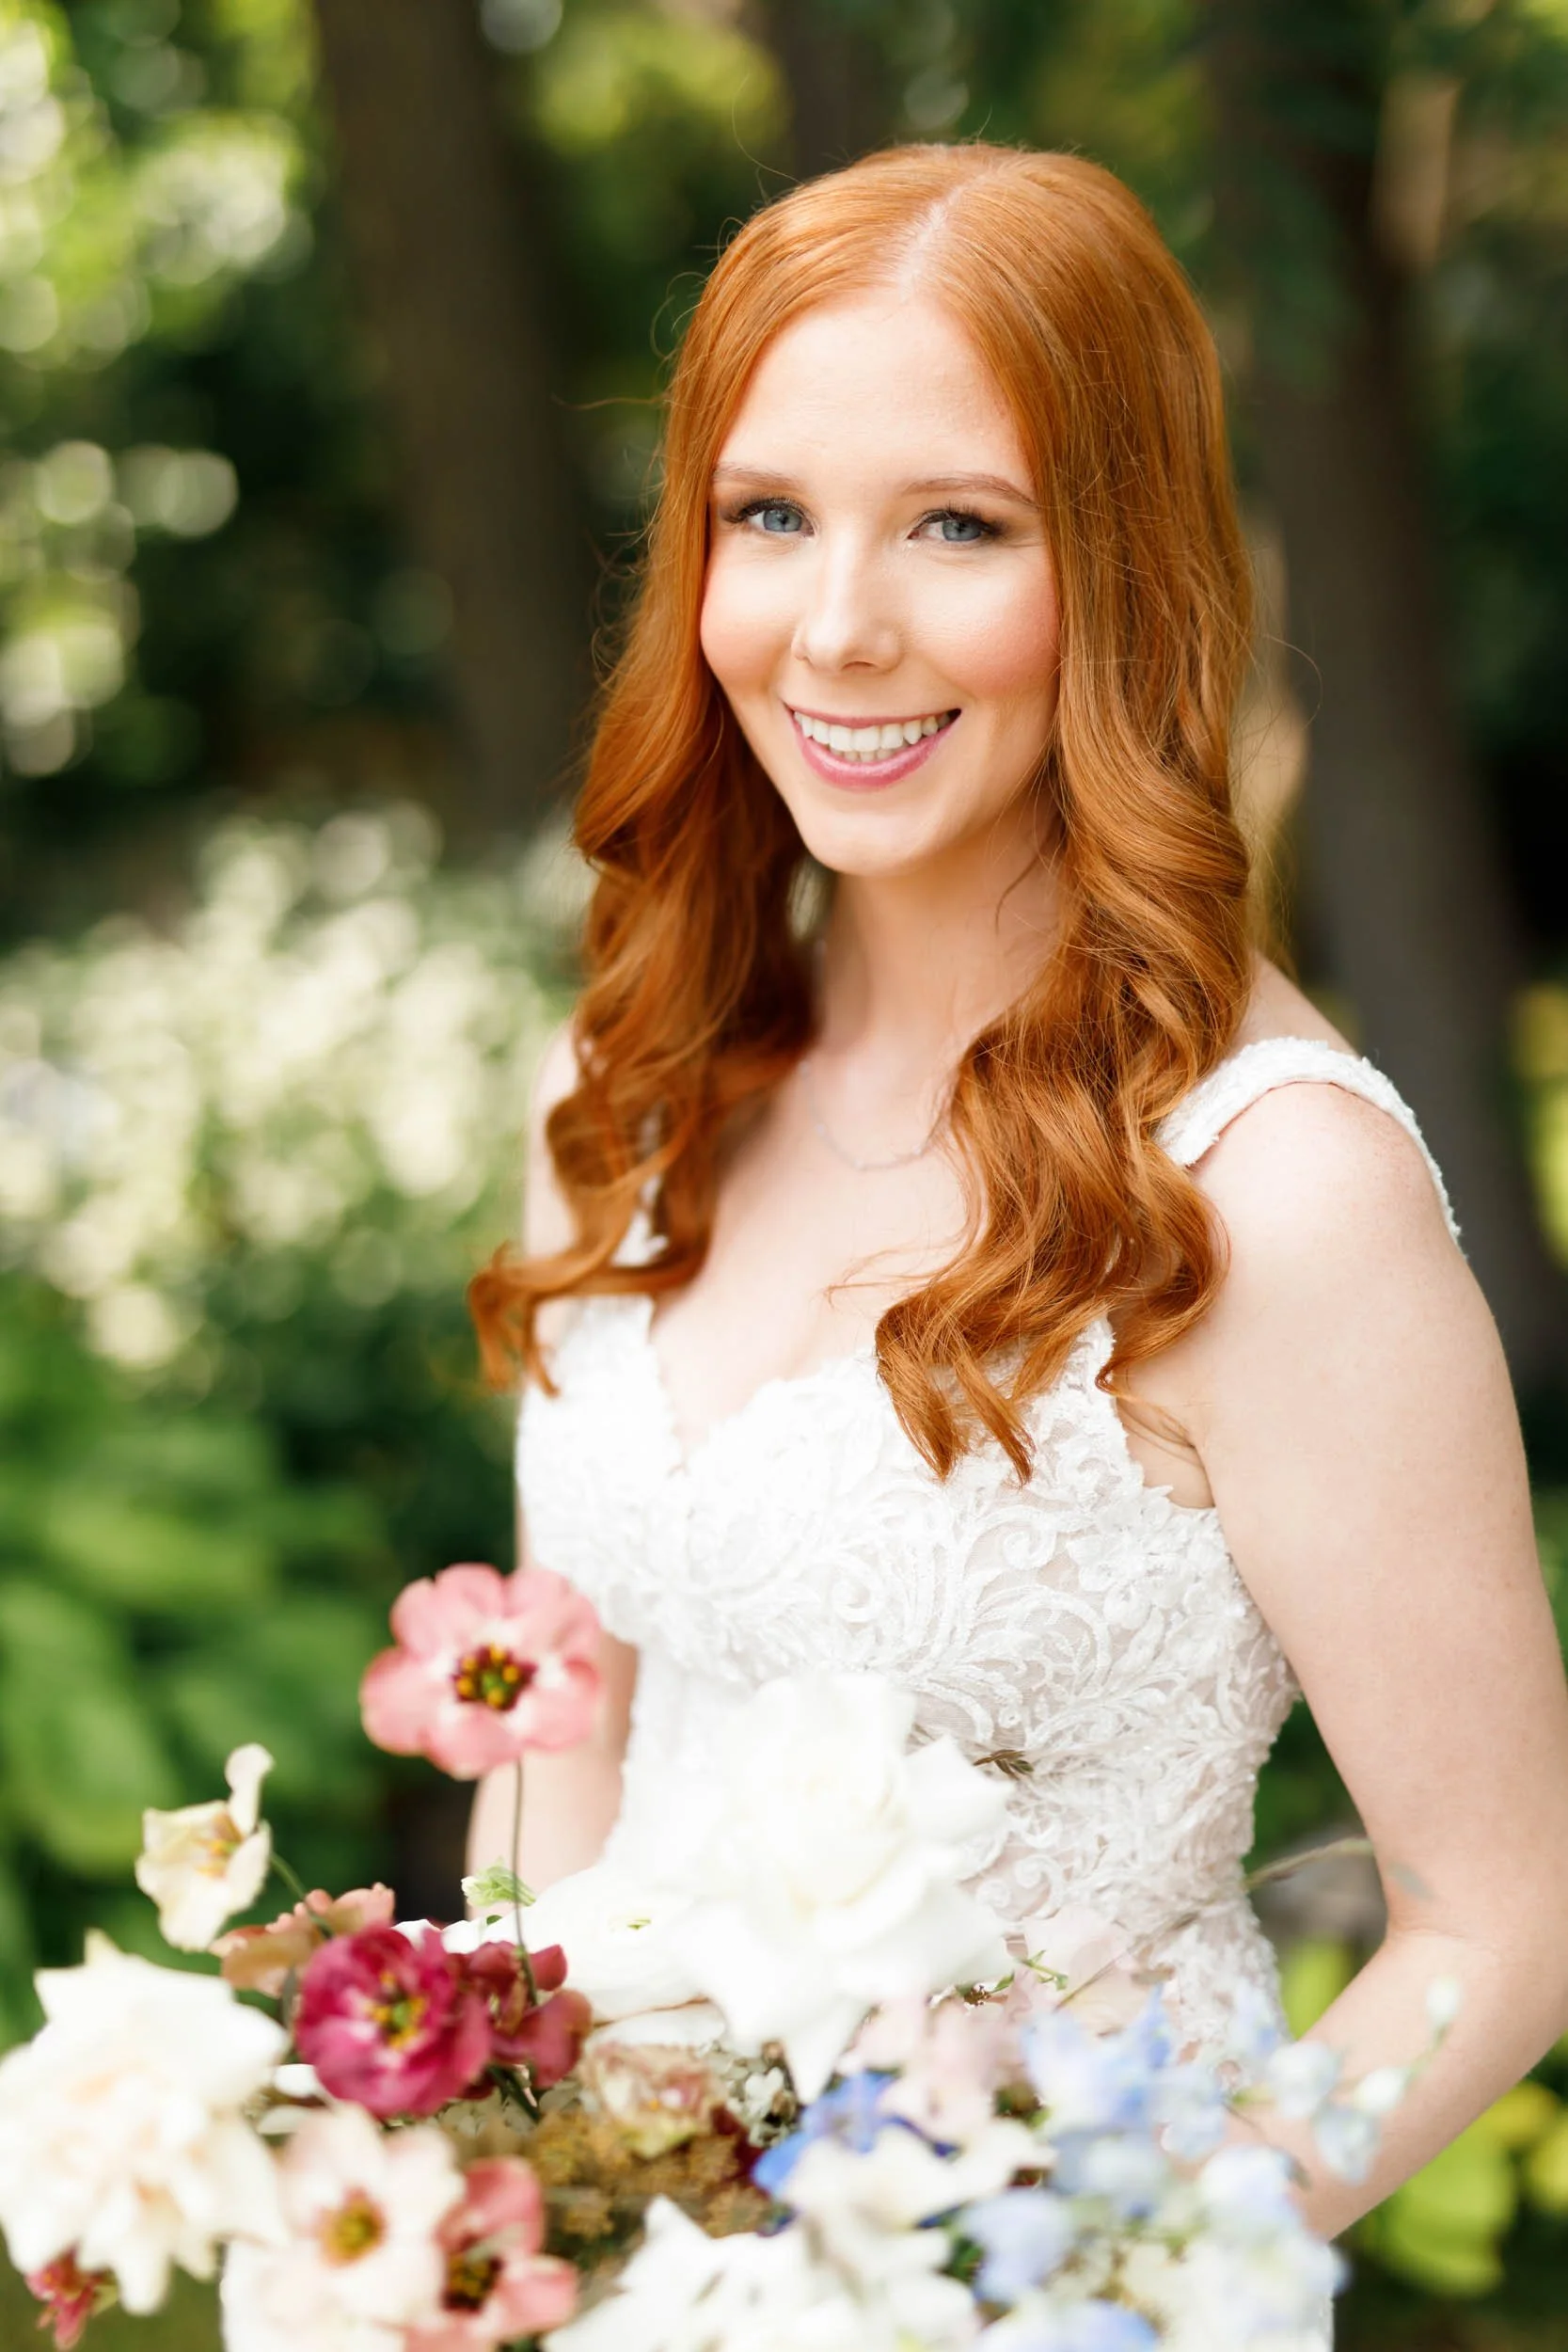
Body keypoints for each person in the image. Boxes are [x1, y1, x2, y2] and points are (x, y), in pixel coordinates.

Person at [467, 142, 1568, 2305]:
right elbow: (560, 1760)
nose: (836, 625)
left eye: (955, 524)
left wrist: (1093, 2269)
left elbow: (1503, 1913)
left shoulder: (1273, 1192)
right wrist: (483, 2200)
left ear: (1122, 570)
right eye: (767, 514)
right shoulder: (621, 1098)